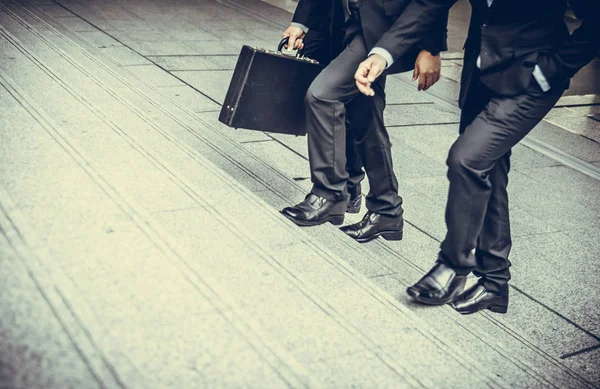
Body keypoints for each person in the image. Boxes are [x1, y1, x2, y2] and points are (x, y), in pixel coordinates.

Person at [355, 0, 600, 314]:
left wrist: (550, 70)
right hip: (481, 71)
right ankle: (494, 283)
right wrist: (381, 54)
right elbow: (429, 3)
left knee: (467, 159)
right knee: (488, 166)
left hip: (532, 75)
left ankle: (453, 265)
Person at [280, 0, 449, 245]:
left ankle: (330, 194)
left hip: (386, 28)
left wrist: (431, 47)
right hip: (344, 21)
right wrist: (301, 21)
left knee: (323, 95)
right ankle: (386, 209)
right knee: (365, 112)